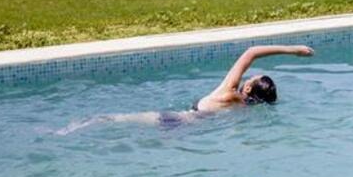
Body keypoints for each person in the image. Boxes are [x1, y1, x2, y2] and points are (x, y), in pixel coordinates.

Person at [55, 44, 314, 133]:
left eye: (250, 79)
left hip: (176, 119)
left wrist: (291, 50)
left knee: (108, 119)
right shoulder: (246, 108)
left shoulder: (229, 91)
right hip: (191, 131)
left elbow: (251, 52)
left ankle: (70, 129)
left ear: (247, 89)